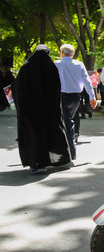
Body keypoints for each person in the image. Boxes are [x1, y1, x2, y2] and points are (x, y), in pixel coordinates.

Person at [12, 45, 71, 173]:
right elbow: (56, 90)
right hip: (47, 111)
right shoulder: (51, 68)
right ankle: (45, 163)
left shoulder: (25, 68)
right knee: (47, 134)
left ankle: (34, 164)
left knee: (33, 135)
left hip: (30, 111)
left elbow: (17, 89)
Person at [54, 43, 96, 160]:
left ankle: (70, 151)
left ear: (62, 53)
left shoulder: (57, 64)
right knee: (69, 121)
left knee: (66, 123)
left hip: (62, 96)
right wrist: (92, 97)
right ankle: (70, 149)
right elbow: (87, 82)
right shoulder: (79, 64)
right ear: (72, 54)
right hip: (76, 97)